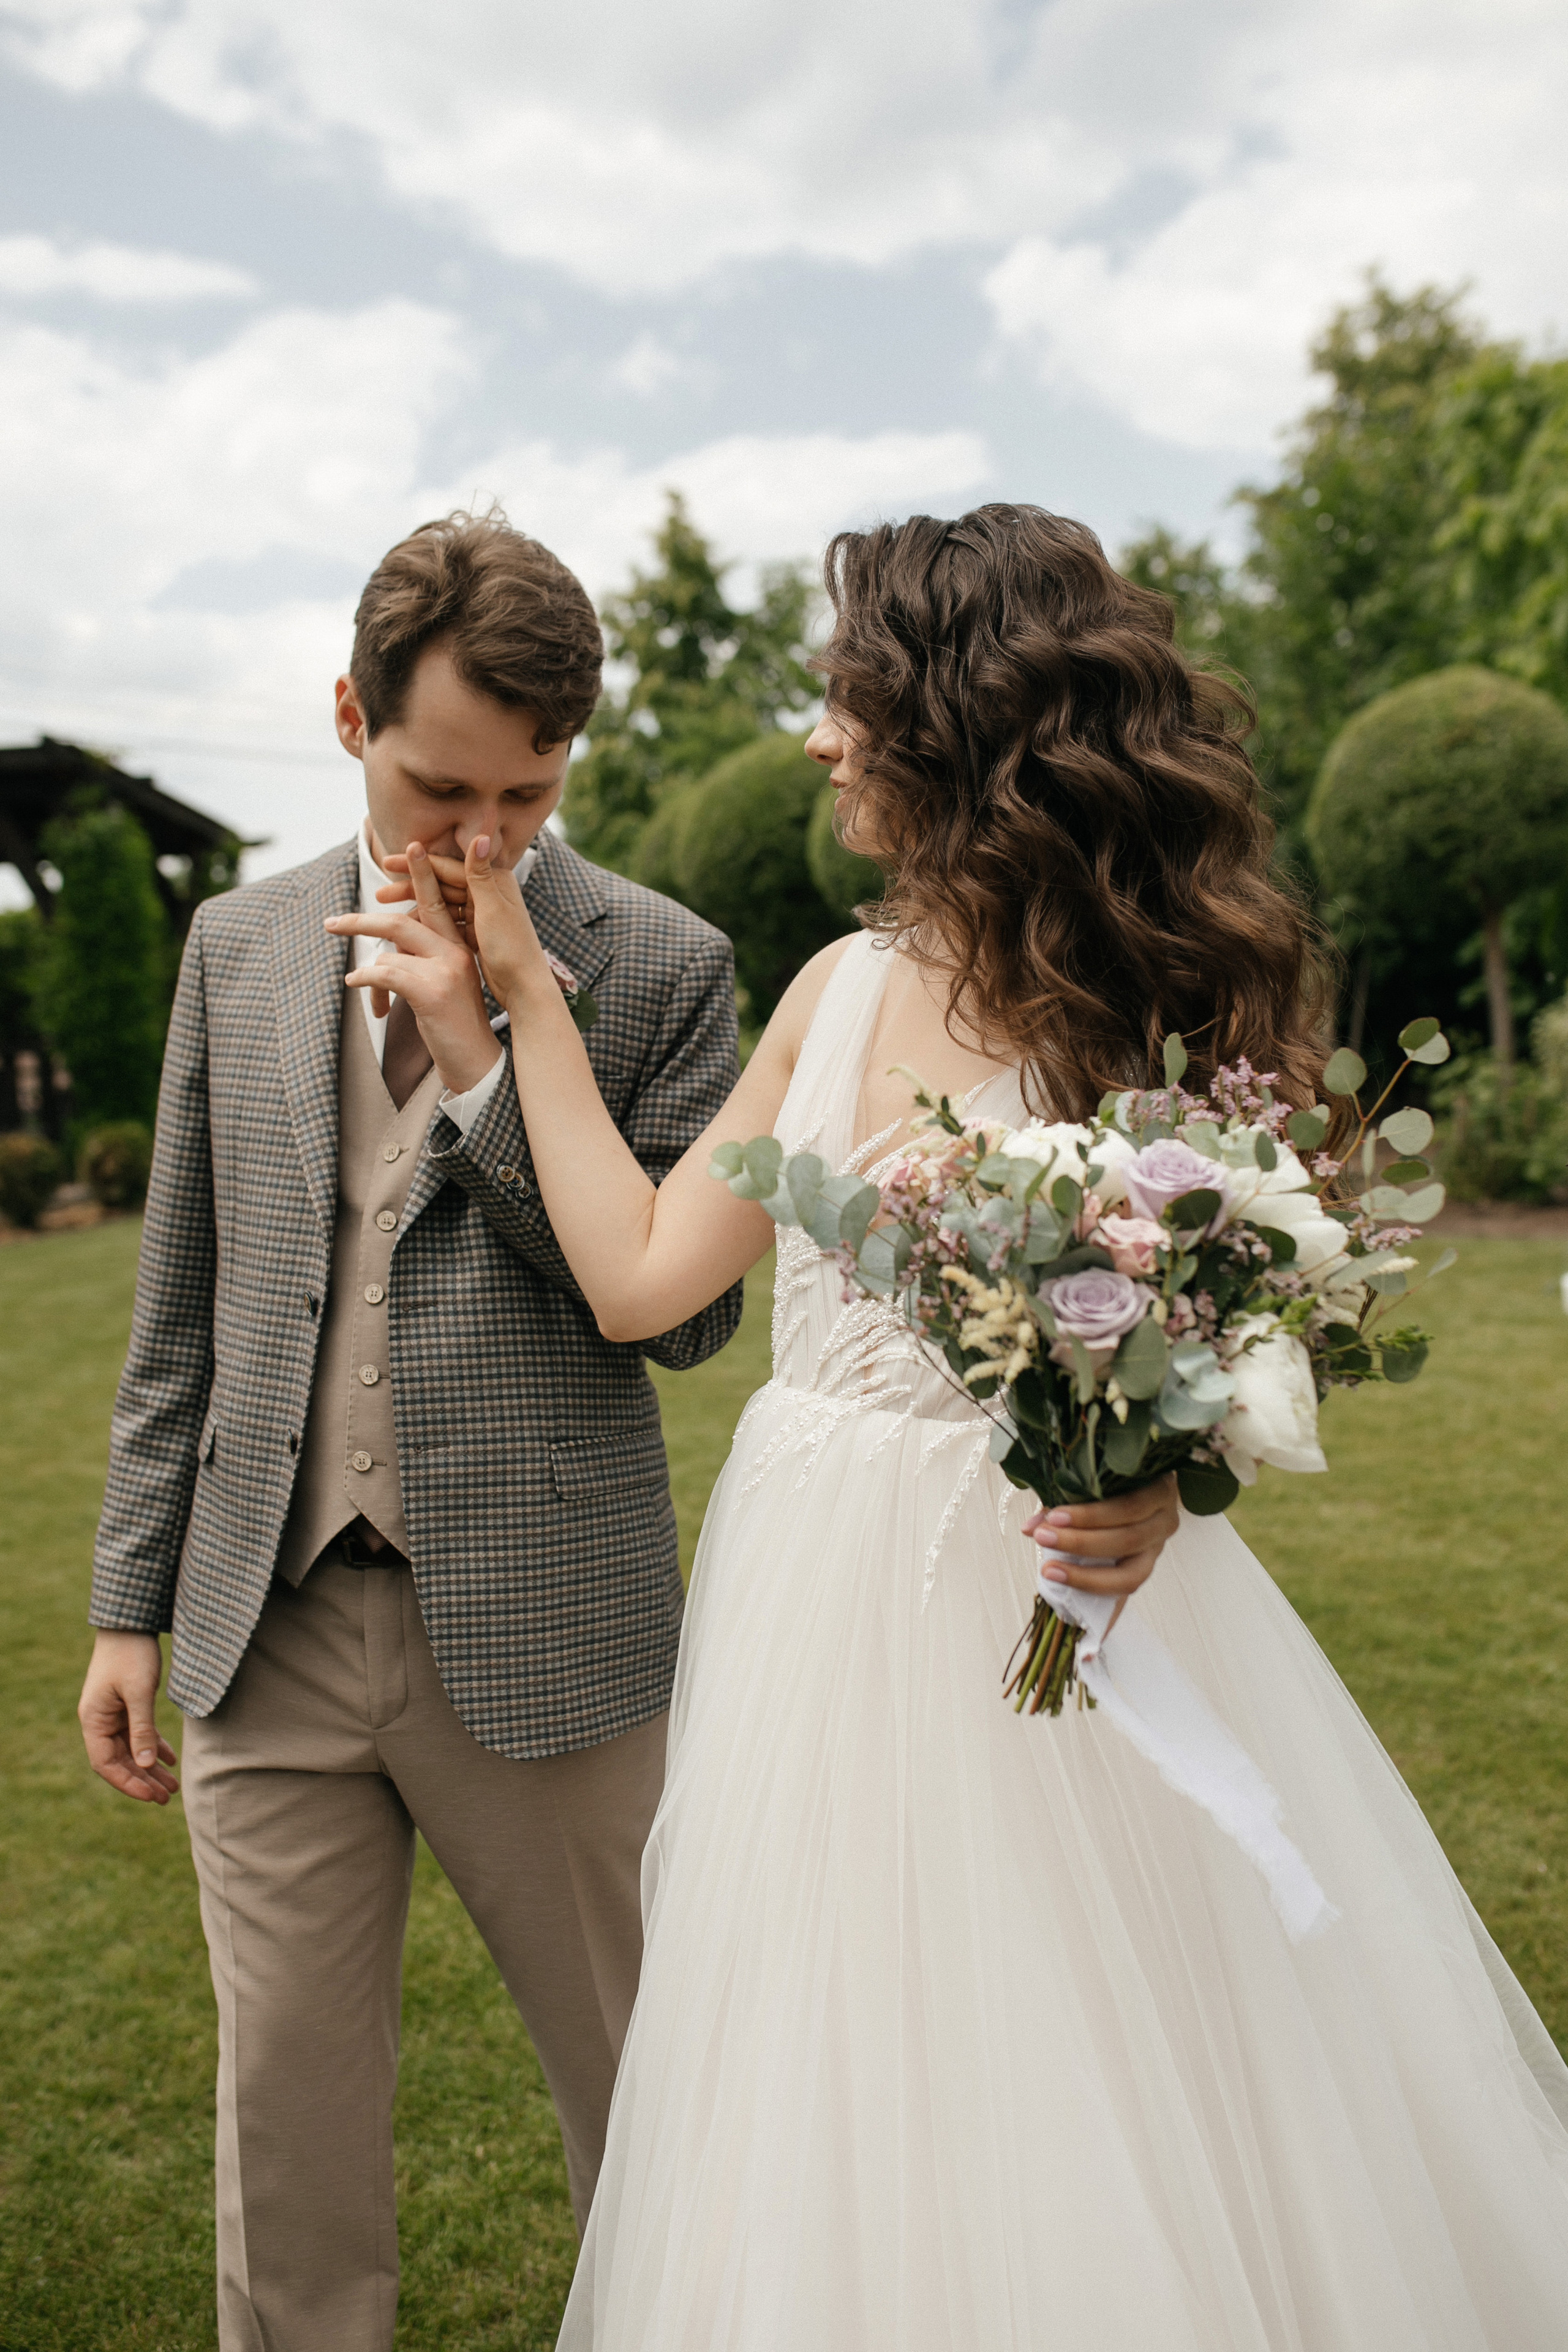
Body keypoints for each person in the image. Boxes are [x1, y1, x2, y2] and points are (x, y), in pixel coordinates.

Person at [336, 504, 1568, 2350]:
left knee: (1109, 2047)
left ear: (953, 720)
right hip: (824, 1618)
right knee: (847, 2060)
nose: (822, 736)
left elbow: (1217, 1316)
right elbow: (642, 1278)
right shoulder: (833, 993)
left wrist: (1153, 1475)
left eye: (847, 697)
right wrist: (509, 1013)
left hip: (1053, 1601)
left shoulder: (1156, 1015)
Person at [76, 509, 744, 2352]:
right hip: (263, 1628)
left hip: (551, 1638)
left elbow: (685, 1313)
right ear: (348, 711)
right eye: (440, 783)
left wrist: (485, 1057)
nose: (484, 839)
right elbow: (186, 1304)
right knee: (283, 2135)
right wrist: (130, 1605)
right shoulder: (233, 946)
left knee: (645, 2109)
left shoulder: (667, 966)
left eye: (527, 796)